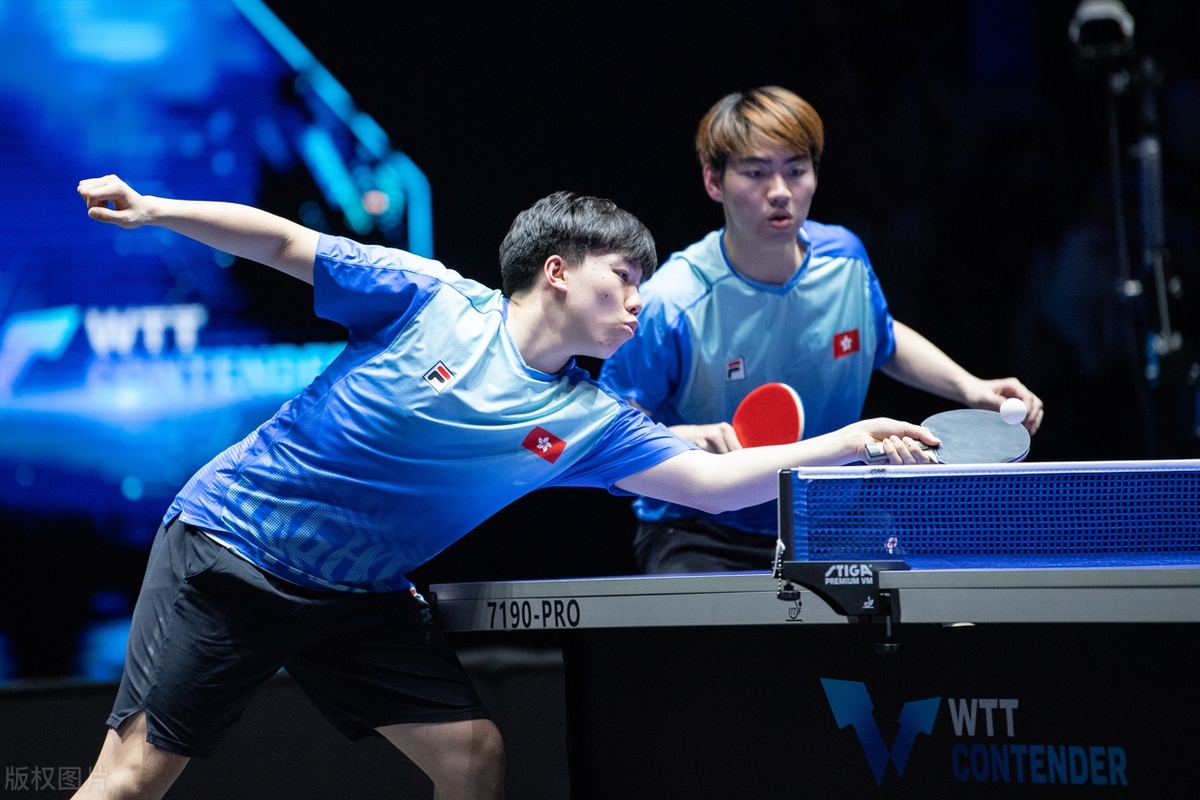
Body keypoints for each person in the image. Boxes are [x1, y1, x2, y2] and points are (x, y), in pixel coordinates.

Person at [71, 174, 937, 800]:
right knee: (132, 780)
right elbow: (282, 243)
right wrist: (156, 209)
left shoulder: (590, 419)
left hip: (356, 593)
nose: (637, 302)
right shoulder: (429, 300)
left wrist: (848, 440)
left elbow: (709, 486)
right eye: (622, 278)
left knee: (471, 756)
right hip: (233, 549)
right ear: (557, 270)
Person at [600, 86, 1045, 575]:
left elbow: (883, 338)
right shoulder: (671, 301)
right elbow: (614, 425)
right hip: (701, 528)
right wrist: (678, 438)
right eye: (755, 172)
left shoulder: (845, 259)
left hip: (831, 516)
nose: (779, 191)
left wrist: (971, 388)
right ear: (713, 180)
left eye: (796, 170)